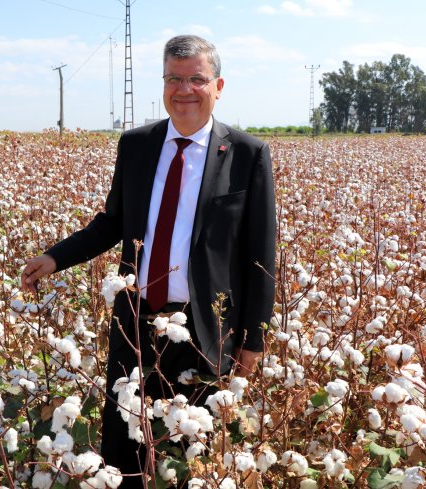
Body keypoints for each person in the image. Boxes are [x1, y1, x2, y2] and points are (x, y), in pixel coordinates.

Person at [21, 35, 276, 487]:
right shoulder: (137, 145)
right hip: (135, 325)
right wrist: (55, 257)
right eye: (174, 78)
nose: (184, 89)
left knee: (189, 458)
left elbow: (261, 257)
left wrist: (251, 343)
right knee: (122, 452)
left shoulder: (247, 154)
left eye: (196, 79)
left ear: (218, 86)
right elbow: (112, 222)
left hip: (204, 332)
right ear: (163, 84)